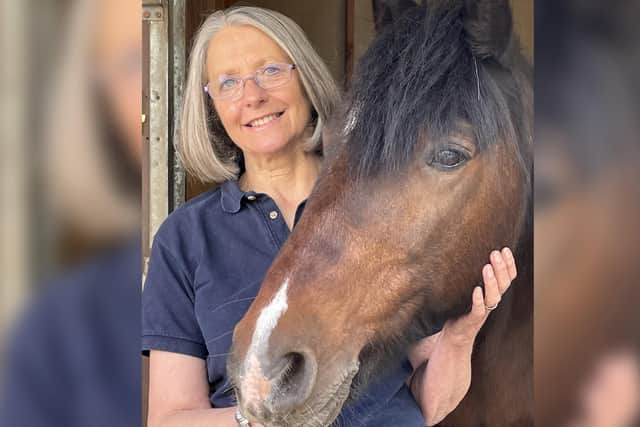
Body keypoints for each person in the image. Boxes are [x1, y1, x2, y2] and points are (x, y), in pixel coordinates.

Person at [142, 6, 516, 427]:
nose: (252, 96)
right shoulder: (185, 238)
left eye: (270, 70)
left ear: (305, 77)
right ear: (210, 104)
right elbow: (168, 419)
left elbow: (428, 406)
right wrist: (259, 415)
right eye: (228, 82)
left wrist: (460, 336)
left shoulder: (385, 194)